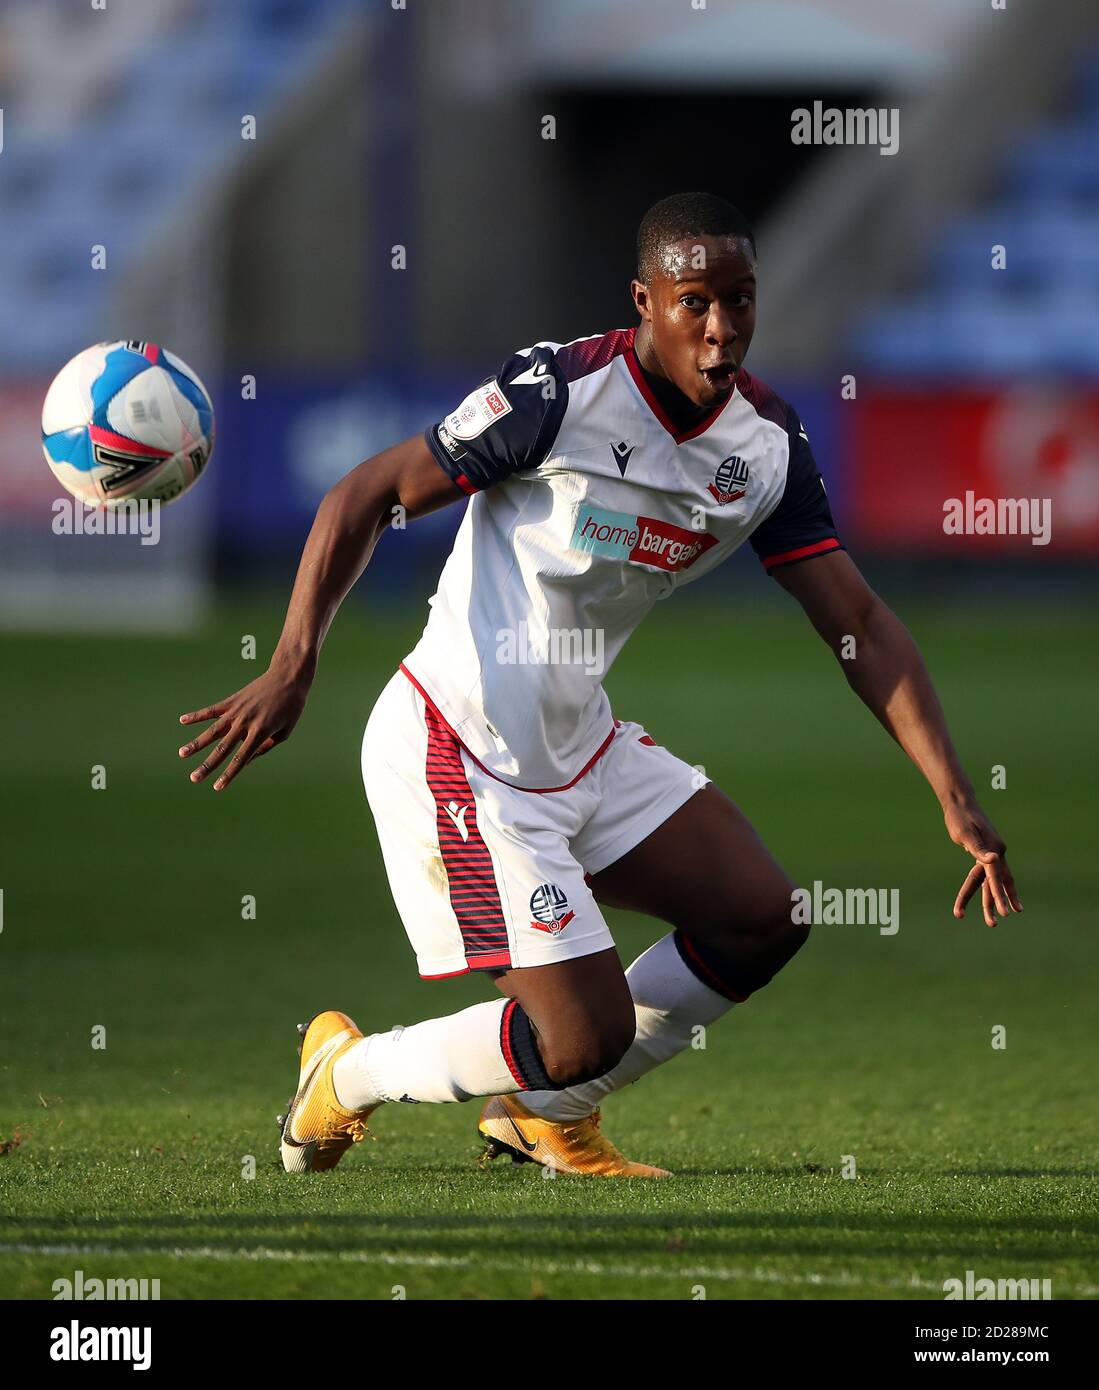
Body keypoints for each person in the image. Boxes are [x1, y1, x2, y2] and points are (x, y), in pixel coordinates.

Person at [179, 192, 1021, 1178]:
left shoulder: (766, 447)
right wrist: (291, 664)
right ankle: (347, 1072)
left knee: (761, 917)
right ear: (644, 302)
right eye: (694, 301)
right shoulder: (558, 394)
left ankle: (546, 1114)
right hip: (459, 750)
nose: (721, 327)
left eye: (740, 300)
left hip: (582, 742)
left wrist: (954, 796)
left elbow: (860, 625)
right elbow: (365, 493)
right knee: (582, 1031)